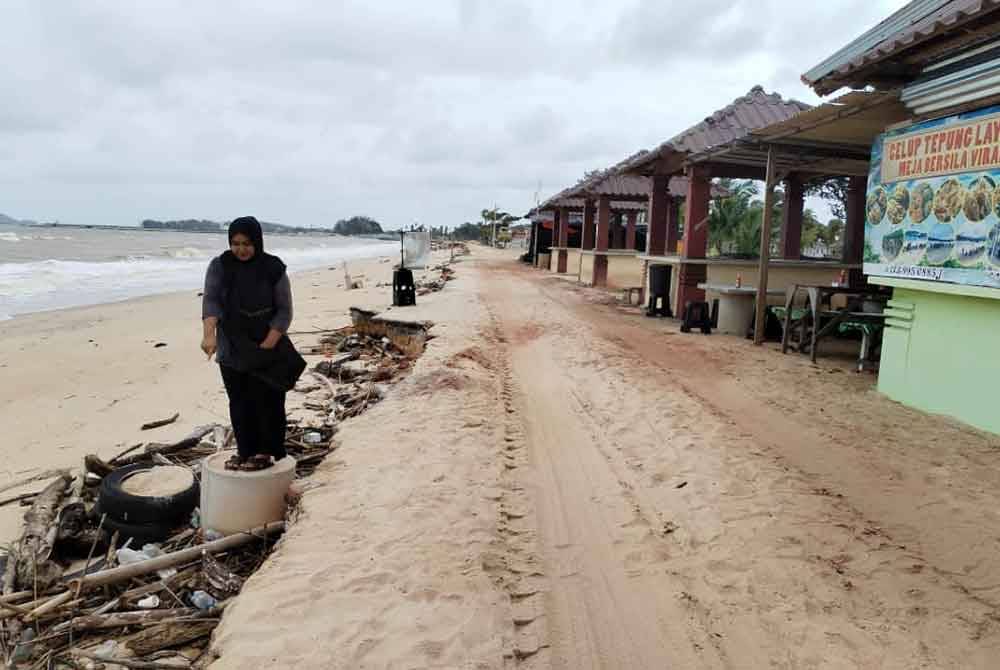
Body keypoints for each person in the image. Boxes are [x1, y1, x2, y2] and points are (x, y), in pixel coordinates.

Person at [201, 216, 306, 471]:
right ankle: (245, 450)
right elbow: (212, 300)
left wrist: (267, 347)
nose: (241, 249)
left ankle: (266, 452)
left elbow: (284, 311)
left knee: (267, 400)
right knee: (239, 402)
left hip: (266, 345)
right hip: (232, 348)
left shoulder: (273, 268)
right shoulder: (220, 266)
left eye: (247, 243)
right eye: (235, 243)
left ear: (257, 241)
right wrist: (209, 334)